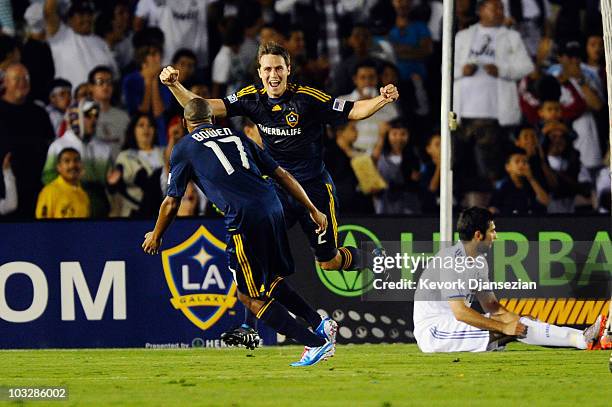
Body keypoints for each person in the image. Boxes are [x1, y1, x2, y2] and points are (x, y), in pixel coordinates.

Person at [159, 41, 398, 344]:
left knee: (329, 262)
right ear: (259, 72)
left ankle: (369, 258)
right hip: (277, 190)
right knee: (259, 256)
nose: (273, 74)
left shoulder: (308, 98)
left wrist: (381, 100)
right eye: (267, 69)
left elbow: (352, 110)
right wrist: (174, 85)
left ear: (288, 70)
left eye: (278, 68)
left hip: (314, 189)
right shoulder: (250, 98)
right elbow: (205, 107)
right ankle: (249, 328)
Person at [142, 98, 337, 366]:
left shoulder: (184, 147)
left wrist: (156, 234)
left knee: (247, 295)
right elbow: (282, 174)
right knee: (270, 281)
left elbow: (171, 201)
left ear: (186, 123)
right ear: (212, 119)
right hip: (274, 207)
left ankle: (315, 344)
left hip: (245, 219)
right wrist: (312, 208)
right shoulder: (236, 136)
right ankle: (319, 323)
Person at [413, 206, 606, 353]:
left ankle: (583, 339)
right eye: (492, 231)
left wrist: (521, 320)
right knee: (508, 329)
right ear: (478, 235)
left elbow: (493, 307)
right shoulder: (449, 260)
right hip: (434, 331)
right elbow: (461, 313)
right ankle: (582, 339)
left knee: (520, 324)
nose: (495, 236)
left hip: (452, 325)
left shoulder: (479, 262)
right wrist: (506, 326)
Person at [42, 99, 113, 218]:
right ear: (75, 116)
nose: (93, 119)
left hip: (98, 211)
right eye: (88, 115)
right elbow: (47, 179)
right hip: (66, 210)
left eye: (96, 115)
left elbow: (108, 184)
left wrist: (113, 183)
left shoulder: (104, 149)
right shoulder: (58, 146)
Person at [108, 113, 163, 217]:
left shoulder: (164, 153)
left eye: (150, 125)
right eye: (141, 125)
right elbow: (139, 180)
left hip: (164, 213)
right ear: (133, 130)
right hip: (135, 214)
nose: (146, 129)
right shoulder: (125, 156)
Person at [88, 65, 130, 159]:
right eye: (100, 82)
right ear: (91, 87)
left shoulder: (123, 117)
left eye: (109, 82)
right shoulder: (84, 116)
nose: (105, 86)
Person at [36, 147, 90, 219]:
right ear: (59, 167)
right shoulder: (49, 192)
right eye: (67, 161)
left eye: (76, 160)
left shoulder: (83, 195)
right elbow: (42, 226)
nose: (72, 165)